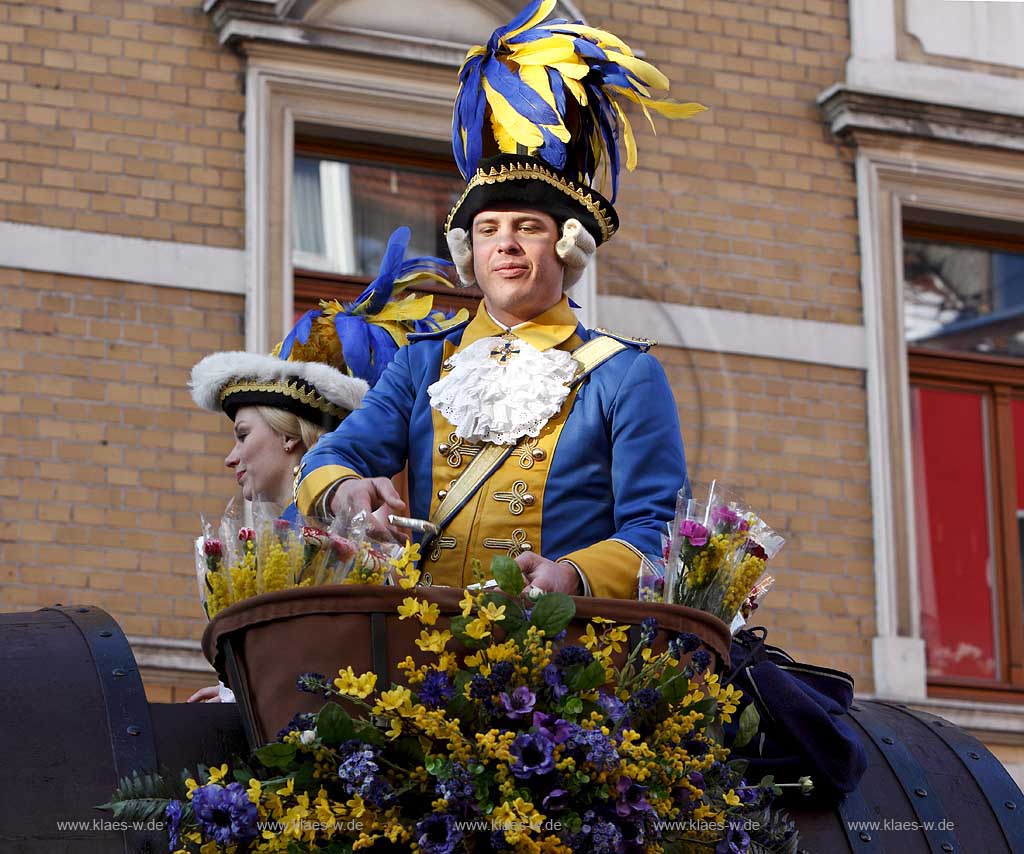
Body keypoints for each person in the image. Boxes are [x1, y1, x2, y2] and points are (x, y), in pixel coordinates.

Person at [295, 2, 705, 599]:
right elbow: (336, 451)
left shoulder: (624, 376)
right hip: (425, 654)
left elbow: (660, 531)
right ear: (470, 255)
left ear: (567, 247)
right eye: (488, 230)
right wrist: (343, 488)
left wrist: (573, 575)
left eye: (528, 228)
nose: (506, 244)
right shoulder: (424, 364)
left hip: (565, 659)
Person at [186, 228, 462, 700]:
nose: (230, 456)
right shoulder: (283, 533)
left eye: (242, 435)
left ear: (291, 438)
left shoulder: (350, 523)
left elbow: (339, 649)